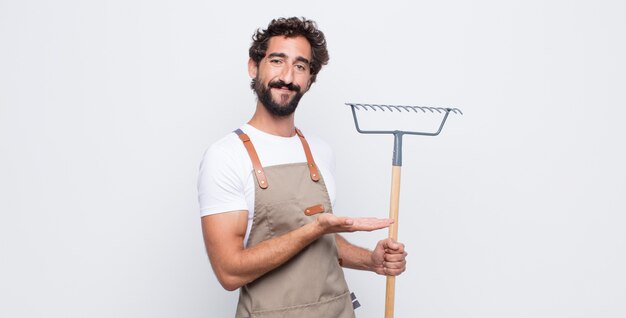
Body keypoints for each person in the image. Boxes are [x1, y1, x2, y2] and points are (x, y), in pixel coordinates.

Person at [198, 17, 407, 318]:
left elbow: (323, 242)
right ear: (253, 67)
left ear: (309, 79)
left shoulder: (321, 152)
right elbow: (229, 272)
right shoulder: (225, 157)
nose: (287, 76)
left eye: (300, 66)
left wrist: (371, 261)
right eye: (277, 61)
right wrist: (314, 228)